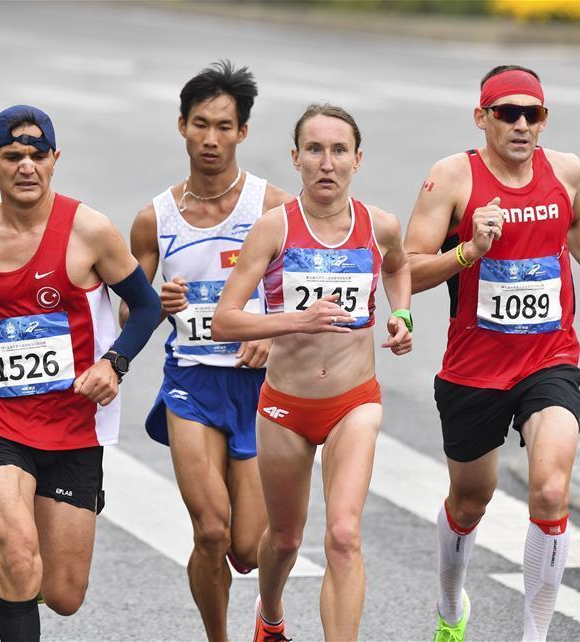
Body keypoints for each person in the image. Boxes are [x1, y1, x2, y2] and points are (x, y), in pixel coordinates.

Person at [403, 65, 580, 642]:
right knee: (470, 502)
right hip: (474, 368)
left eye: (530, 114)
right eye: (505, 113)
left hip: (548, 358)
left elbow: (576, 219)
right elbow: (406, 269)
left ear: (543, 119)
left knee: (551, 490)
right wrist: (468, 251)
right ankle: (450, 606)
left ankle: (534, 635)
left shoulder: (565, 169)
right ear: (481, 117)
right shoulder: (451, 178)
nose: (519, 124)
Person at [0, 105, 161, 642]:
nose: (26, 166)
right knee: (19, 556)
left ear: (54, 160)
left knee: (64, 594)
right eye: (12, 156)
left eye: (37, 155)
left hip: (73, 426)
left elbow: (146, 307)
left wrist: (114, 363)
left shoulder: (90, 230)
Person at [212, 103, 413, 642]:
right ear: (296, 157)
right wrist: (295, 320)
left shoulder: (380, 226)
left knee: (344, 535)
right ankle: (271, 615)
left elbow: (398, 267)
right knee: (283, 540)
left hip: (354, 402)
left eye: (339, 150)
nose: (327, 163)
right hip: (286, 405)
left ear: (357, 159)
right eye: (315, 150)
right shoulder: (274, 229)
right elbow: (224, 321)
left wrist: (402, 315)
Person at [121, 60, 290, 641]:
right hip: (191, 381)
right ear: (182, 127)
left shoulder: (273, 208)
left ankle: (267, 615)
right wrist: (154, 302)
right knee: (211, 532)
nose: (211, 138)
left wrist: (273, 337)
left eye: (224, 126)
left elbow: (306, 294)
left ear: (243, 131)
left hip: (259, 388)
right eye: (200, 124)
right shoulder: (155, 218)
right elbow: (129, 313)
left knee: (246, 547)